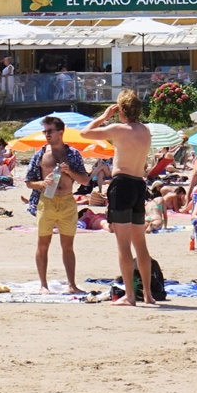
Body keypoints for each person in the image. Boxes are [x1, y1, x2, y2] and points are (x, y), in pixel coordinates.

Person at [82, 89, 159, 306]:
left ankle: (130, 296)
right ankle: (147, 294)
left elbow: (85, 133)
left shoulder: (119, 129)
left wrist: (103, 117)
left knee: (123, 244)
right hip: (138, 185)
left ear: (121, 109)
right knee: (140, 244)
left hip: (122, 184)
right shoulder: (145, 131)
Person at [24, 116, 87, 294]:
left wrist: (70, 172)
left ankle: (72, 285)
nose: (46, 135)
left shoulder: (73, 154)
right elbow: (29, 181)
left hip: (67, 201)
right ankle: (43, 285)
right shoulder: (41, 154)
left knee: (68, 246)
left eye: (49, 131)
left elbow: (84, 180)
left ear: (60, 132)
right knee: (43, 243)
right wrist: (41, 183)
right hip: (47, 201)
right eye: (45, 131)